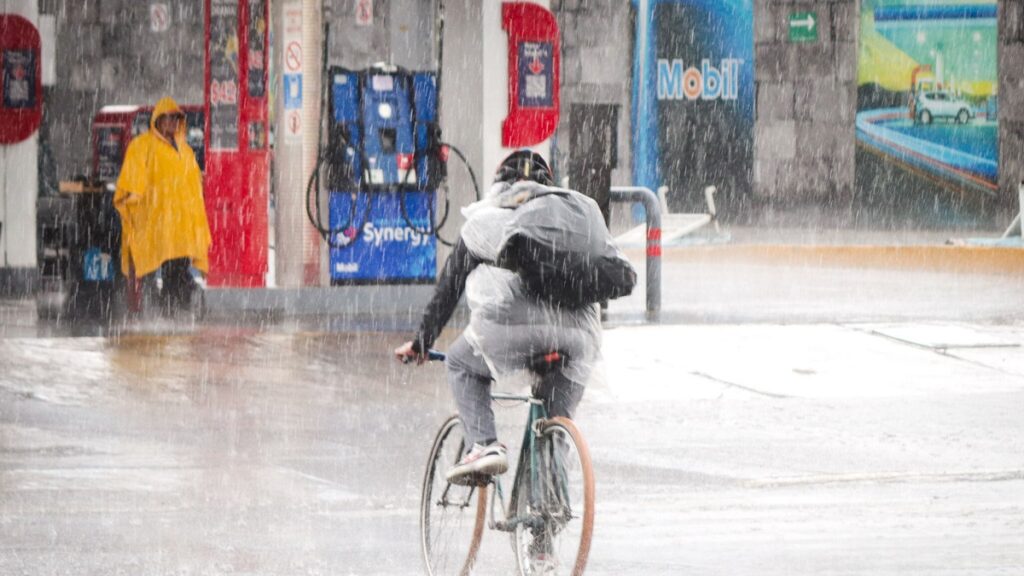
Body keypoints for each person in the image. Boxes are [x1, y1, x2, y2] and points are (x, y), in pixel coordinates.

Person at [394, 150, 602, 485]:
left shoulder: (485, 218)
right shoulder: (570, 218)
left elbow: (450, 289)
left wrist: (422, 341)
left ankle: (484, 445)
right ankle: (549, 507)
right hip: (580, 337)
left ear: (498, 185)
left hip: (511, 331)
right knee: (556, 421)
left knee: (461, 363)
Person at [114, 97, 211, 315]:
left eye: (176, 118)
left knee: (176, 271)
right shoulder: (142, 147)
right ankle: (153, 313)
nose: (172, 123)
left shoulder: (185, 152)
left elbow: (193, 189)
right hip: (154, 225)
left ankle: (173, 314)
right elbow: (132, 182)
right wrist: (134, 203)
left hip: (179, 229)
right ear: (157, 120)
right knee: (147, 270)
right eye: (167, 118)